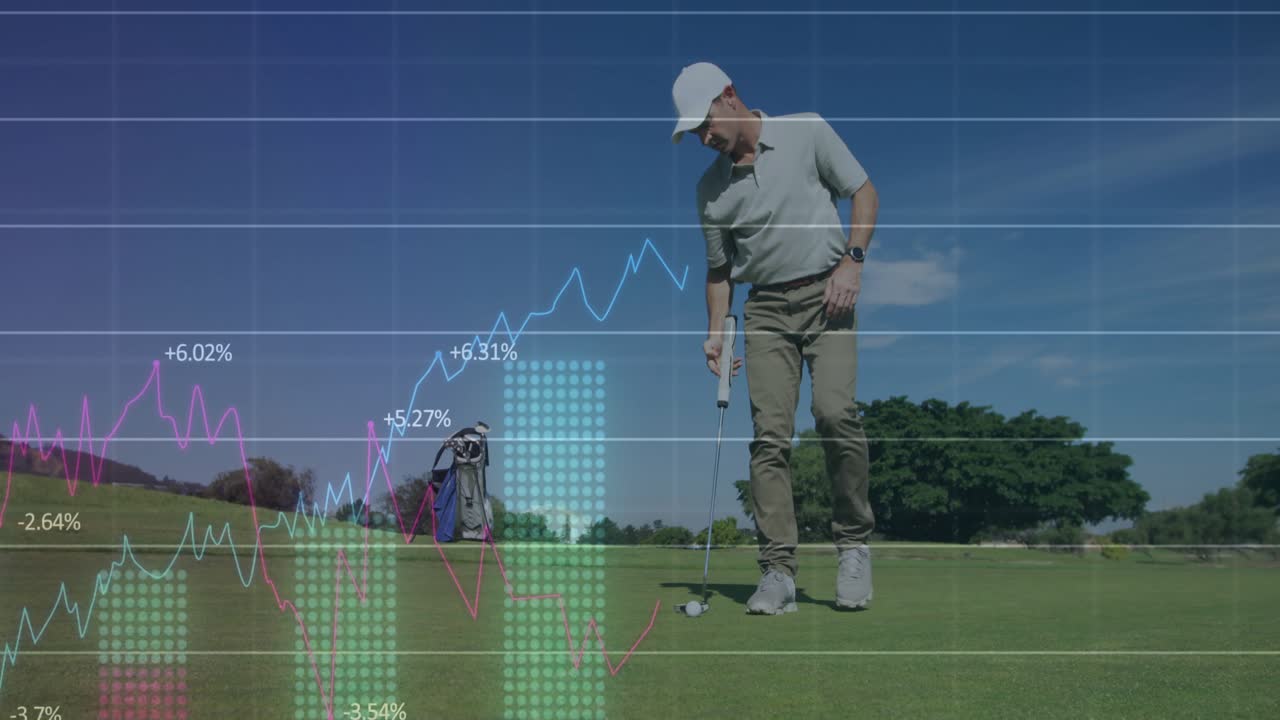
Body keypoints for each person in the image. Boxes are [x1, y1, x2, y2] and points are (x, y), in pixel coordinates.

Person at [671, 61, 879, 615]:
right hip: (764, 310)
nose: (702, 137)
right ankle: (778, 571)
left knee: (835, 414)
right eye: (693, 131)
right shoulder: (710, 193)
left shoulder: (806, 130)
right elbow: (720, 273)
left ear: (730, 96)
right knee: (769, 438)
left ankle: (854, 546)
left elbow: (862, 192)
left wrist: (853, 263)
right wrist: (716, 335)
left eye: (704, 124)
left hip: (830, 294)